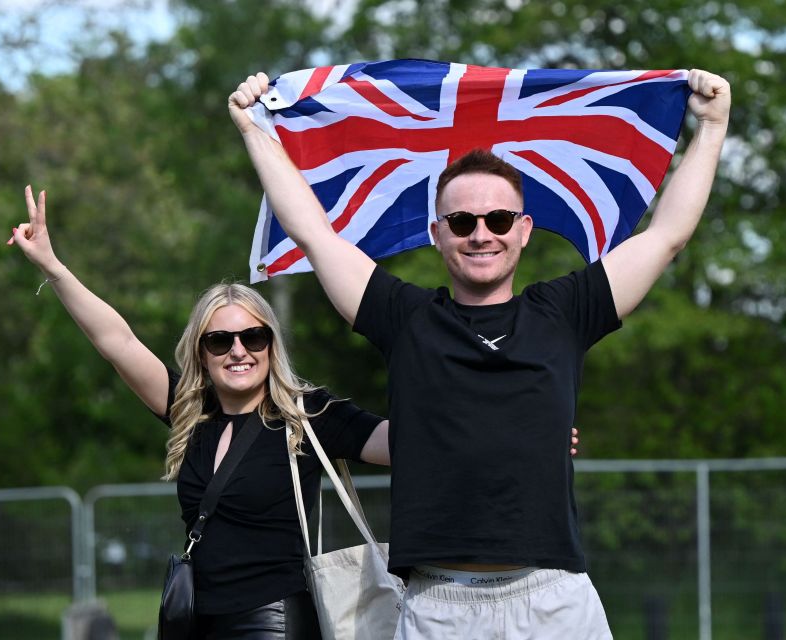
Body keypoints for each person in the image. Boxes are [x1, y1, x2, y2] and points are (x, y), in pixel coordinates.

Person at [229, 68, 730, 638]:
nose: (480, 234)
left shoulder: (566, 311)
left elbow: (667, 235)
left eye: (497, 219)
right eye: (462, 221)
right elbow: (314, 232)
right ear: (438, 232)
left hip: (554, 598)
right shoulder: (406, 318)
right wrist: (253, 130)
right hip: (437, 604)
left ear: (524, 230)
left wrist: (711, 127)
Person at [6, 185, 391, 639]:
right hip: (194, 622)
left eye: (253, 337)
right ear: (201, 353)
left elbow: (404, 444)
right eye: (219, 340)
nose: (238, 351)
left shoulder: (308, 416)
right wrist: (53, 266)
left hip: (276, 622)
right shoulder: (191, 411)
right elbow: (118, 342)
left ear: (271, 345)